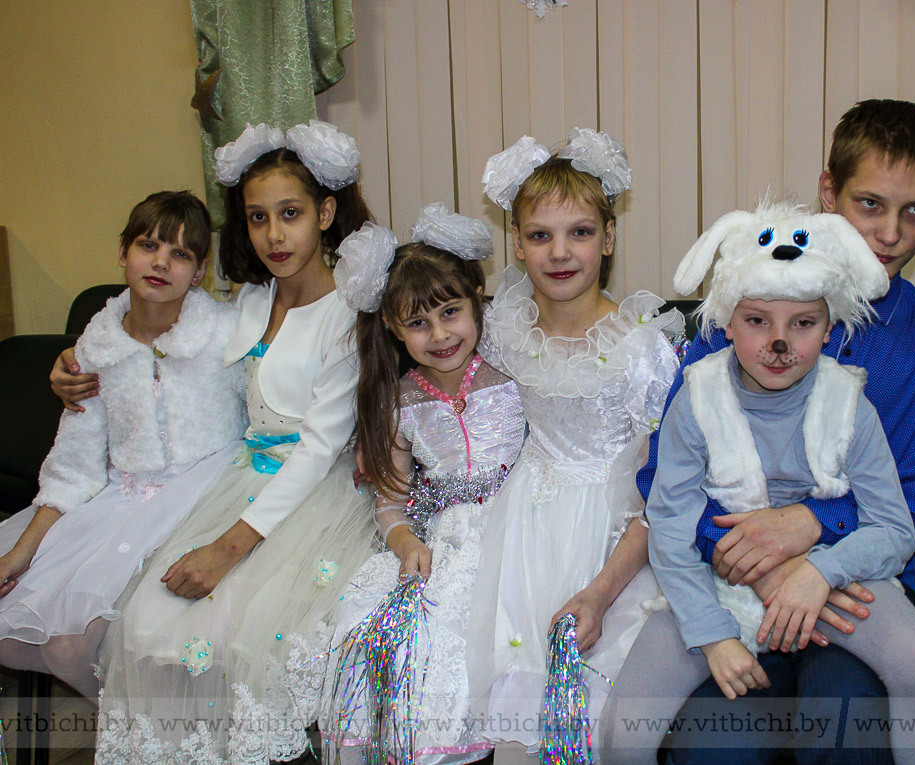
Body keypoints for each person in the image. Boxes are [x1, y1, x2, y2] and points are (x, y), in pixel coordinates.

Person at [603, 100, 915, 763]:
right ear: (828, 192)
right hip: (729, 579)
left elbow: (914, 500)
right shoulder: (733, 321)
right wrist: (760, 561)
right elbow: (666, 477)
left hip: (855, 589)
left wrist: (810, 529)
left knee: (845, 734)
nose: (892, 233)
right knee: (711, 749)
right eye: (870, 204)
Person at [71, 121, 381, 762]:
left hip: (313, 501)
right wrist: (72, 361)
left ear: (325, 214)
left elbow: (318, 450)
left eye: (291, 214)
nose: (274, 235)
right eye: (258, 217)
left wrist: (225, 550)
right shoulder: (246, 299)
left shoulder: (349, 314)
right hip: (235, 480)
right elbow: (151, 326)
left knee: (243, 643)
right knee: (144, 625)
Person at [465, 129, 686, 762]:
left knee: (593, 716)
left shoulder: (641, 348)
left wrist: (603, 588)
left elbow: (664, 487)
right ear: (517, 243)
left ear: (608, 238)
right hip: (520, 527)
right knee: (510, 698)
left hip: (616, 537)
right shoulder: (502, 326)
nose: (559, 252)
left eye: (580, 233)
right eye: (540, 235)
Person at [0, 191, 246, 699]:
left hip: (211, 500)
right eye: (148, 245)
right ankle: (134, 723)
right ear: (122, 252)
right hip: (121, 502)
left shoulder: (227, 333)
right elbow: (73, 468)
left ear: (200, 272)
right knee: (49, 635)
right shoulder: (96, 349)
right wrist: (21, 553)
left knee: (118, 642)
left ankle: (154, 726)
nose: (161, 262)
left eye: (180, 254)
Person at [307, 204, 526, 764]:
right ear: (391, 326)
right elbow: (389, 500)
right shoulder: (399, 402)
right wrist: (405, 540)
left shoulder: (514, 372)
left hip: (519, 528)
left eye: (451, 312)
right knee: (383, 634)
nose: (440, 334)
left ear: (477, 300)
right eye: (418, 323)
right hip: (444, 542)